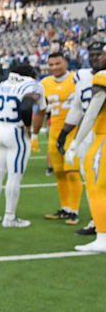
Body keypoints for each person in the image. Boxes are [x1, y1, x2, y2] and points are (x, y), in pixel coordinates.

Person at [0, 64, 46, 227]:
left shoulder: (4, 84)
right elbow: (27, 107)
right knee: (14, 176)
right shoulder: (31, 85)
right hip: (16, 131)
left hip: (0, 130)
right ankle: (9, 217)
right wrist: (28, 128)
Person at [59, 41, 106, 239]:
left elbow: (91, 111)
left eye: (99, 54)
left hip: (98, 133)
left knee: (97, 183)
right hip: (89, 132)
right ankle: (97, 221)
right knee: (92, 181)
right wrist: (64, 132)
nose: (95, 58)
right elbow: (78, 107)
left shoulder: (102, 77)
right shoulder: (82, 76)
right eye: (92, 54)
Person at [40, 52, 83, 224]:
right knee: (59, 174)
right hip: (54, 133)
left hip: (74, 133)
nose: (54, 67)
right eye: (51, 65)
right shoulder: (45, 83)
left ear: (65, 62)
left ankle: (74, 210)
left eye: (57, 63)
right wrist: (35, 134)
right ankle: (65, 208)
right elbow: (41, 110)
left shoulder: (77, 79)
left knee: (72, 172)